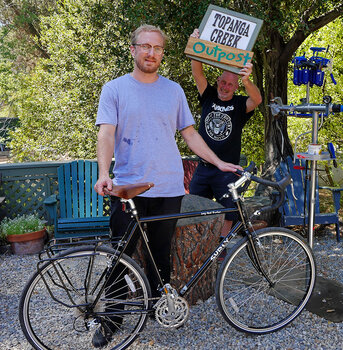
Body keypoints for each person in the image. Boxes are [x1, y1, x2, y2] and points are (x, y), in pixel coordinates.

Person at [93, 24, 241, 347]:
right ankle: (110, 319)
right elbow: (105, 133)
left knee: (161, 255)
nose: (151, 53)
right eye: (145, 47)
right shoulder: (114, 89)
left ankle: (156, 309)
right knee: (121, 255)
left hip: (169, 188)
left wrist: (217, 162)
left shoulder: (173, 90)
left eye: (157, 48)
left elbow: (189, 133)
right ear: (133, 50)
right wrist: (105, 172)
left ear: (162, 53)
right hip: (129, 189)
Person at [189, 28, 262, 239]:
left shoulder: (239, 104)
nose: (225, 86)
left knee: (229, 211)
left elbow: (256, 100)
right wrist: (196, 45)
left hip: (227, 170)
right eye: (222, 82)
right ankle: (197, 245)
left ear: (236, 86)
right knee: (193, 207)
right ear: (218, 81)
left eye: (230, 84)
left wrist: (247, 80)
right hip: (203, 168)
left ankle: (221, 247)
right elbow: (197, 73)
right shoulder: (209, 96)